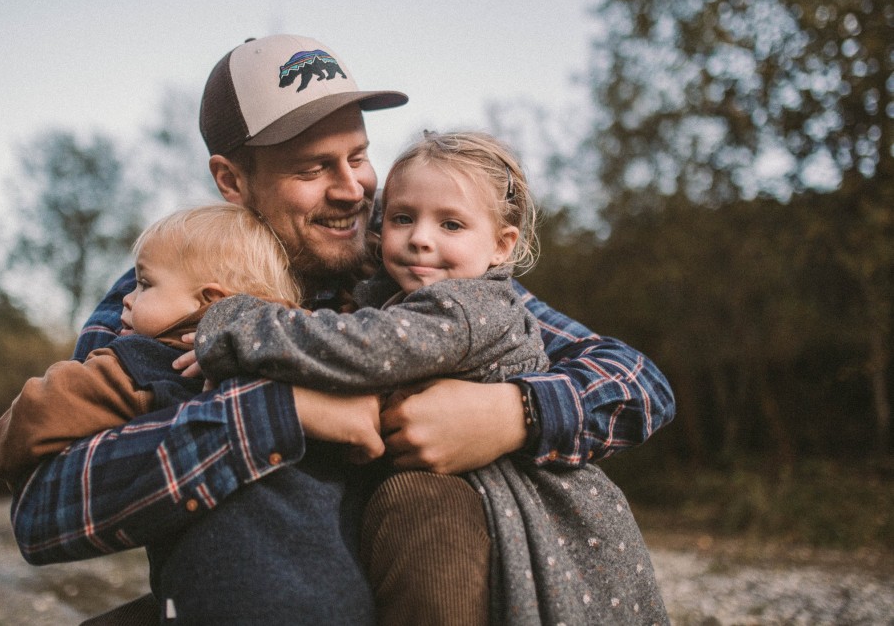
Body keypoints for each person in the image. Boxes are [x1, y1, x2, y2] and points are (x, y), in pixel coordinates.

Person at [2, 34, 675, 625]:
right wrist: (278, 413)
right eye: (313, 168)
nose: (353, 188)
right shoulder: (162, 296)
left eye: (358, 155)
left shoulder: (411, 267)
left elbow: (637, 381)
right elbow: (47, 509)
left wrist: (513, 413)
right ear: (232, 180)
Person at [190, 131, 667, 623]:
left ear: (502, 246)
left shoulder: (465, 304)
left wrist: (237, 325)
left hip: (523, 501)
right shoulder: (385, 286)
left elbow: (370, 347)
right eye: (402, 218)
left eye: (451, 224)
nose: (420, 237)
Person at [0, 204, 383, 486]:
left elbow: (36, 416)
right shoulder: (305, 343)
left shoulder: (138, 362)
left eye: (144, 284)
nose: (126, 297)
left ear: (209, 301)